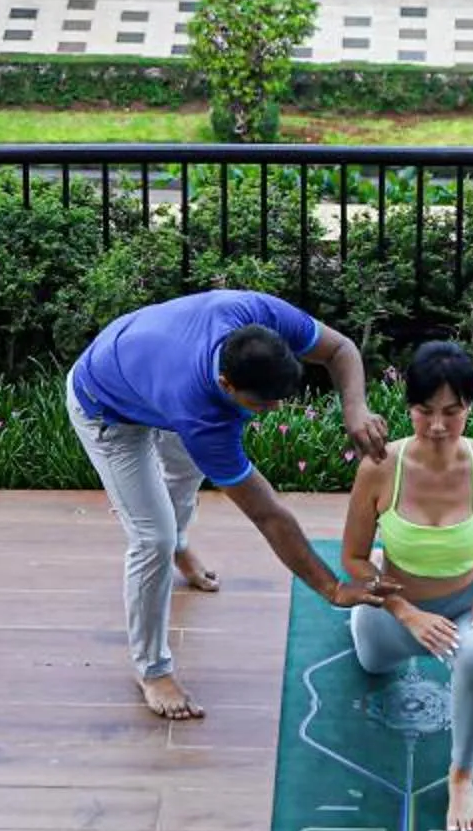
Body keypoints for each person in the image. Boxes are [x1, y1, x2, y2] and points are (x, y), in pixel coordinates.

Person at [67, 288, 391, 720]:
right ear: (226, 384)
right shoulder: (202, 415)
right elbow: (267, 513)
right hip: (105, 406)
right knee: (152, 539)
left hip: (147, 371)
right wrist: (331, 588)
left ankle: (180, 544)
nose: (274, 410)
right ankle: (153, 671)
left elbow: (340, 348)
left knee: (183, 475)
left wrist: (356, 408)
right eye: (262, 403)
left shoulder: (255, 314)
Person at [338, 340, 473, 831]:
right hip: (391, 612)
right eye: (425, 411)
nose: (439, 426)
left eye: (452, 411)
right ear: (408, 407)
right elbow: (352, 559)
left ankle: (461, 774)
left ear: (471, 404)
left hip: (464, 604)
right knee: (373, 665)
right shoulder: (381, 467)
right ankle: (374, 613)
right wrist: (403, 611)